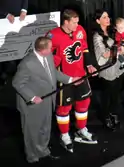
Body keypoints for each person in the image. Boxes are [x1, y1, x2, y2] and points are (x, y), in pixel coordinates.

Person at [12, 36, 73, 163]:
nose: (52, 50)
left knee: (45, 128)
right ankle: (32, 157)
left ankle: (43, 151)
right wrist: (32, 97)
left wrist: (70, 79)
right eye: (50, 48)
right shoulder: (27, 63)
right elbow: (17, 83)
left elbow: (54, 73)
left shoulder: (48, 56)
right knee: (31, 132)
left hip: (47, 99)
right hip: (31, 105)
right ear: (42, 50)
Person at [46, 9, 98, 152]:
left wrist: (89, 64)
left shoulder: (80, 30)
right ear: (66, 22)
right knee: (64, 108)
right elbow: (46, 58)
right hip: (65, 78)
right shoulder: (53, 35)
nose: (77, 25)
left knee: (84, 103)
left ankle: (81, 129)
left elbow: (85, 49)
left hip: (81, 74)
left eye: (77, 22)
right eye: (74, 22)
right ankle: (64, 135)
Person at [93, 9, 124, 131]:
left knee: (115, 94)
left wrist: (123, 46)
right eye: (104, 17)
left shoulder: (112, 31)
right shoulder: (97, 37)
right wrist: (117, 49)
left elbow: (120, 44)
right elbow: (104, 54)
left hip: (117, 68)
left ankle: (113, 113)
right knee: (107, 95)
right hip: (107, 69)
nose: (108, 19)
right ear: (98, 20)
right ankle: (105, 116)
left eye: (108, 16)